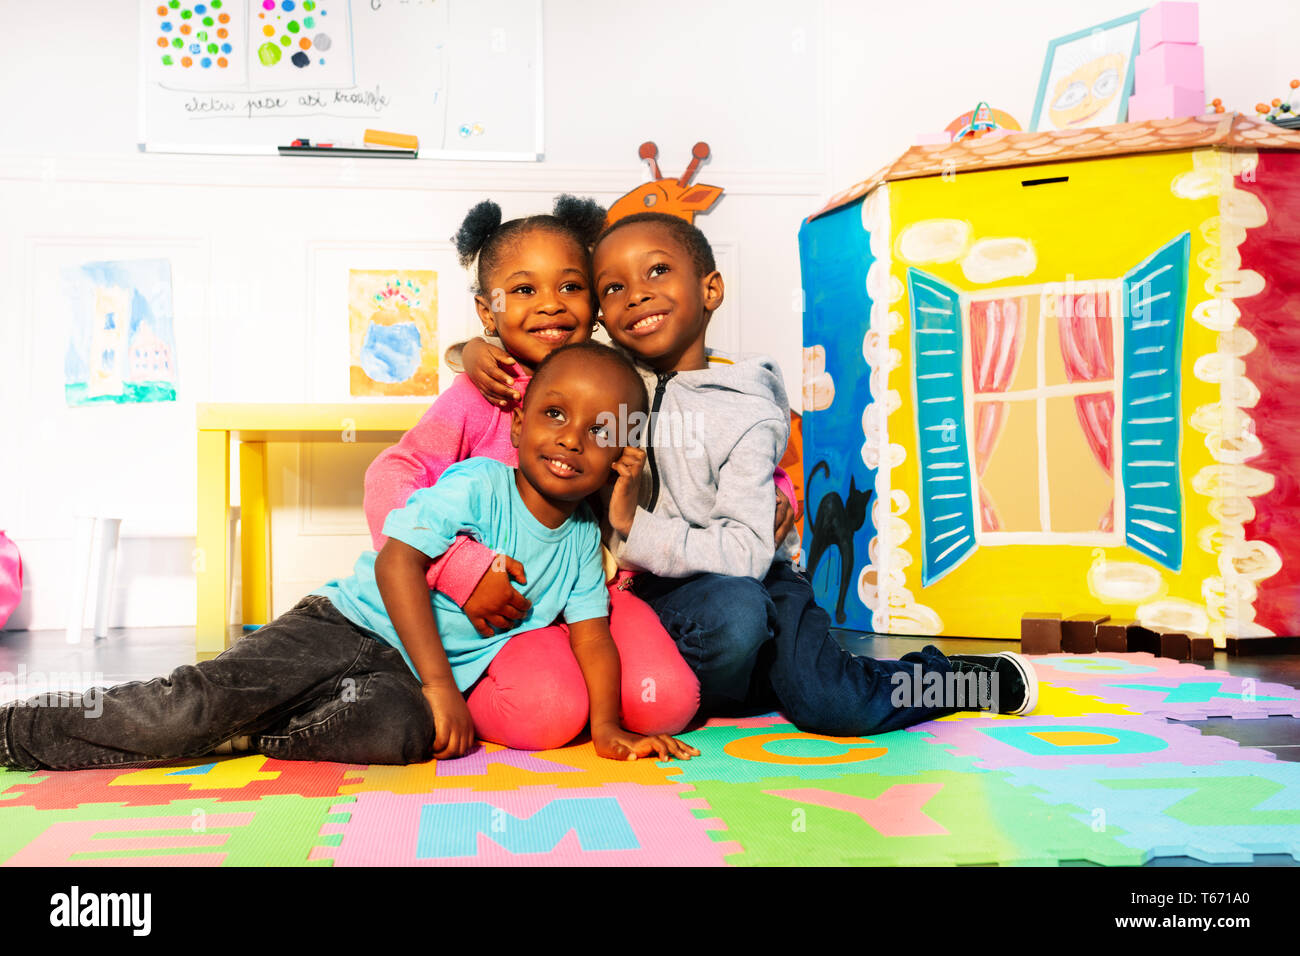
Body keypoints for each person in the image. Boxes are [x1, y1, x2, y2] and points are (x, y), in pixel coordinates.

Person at [466, 211, 1039, 736]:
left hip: (755, 577)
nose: (636, 295)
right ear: (599, 312)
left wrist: (629, 527)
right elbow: (530, 348)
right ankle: (763, 673)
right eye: (613, 287)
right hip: (654, 591)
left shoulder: (746, 408)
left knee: (832, 702)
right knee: (705, 663)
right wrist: (472, 348)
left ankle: (961, 679)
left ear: (710, 289)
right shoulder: (609, 382)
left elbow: (745, 553)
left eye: (657, 272)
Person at [0, 343, 698, 769]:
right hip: (343, 626)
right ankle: (18, 731)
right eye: (553, 414)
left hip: (397, 678)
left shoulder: (580, 541)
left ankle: (249, 734)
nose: (572, 438)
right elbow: (398, 564)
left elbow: (593, 636)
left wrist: (607, 727)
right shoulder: (479, 486)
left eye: (596, 430)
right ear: (517, 423)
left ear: (622, 454)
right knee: (191, 707)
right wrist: (442, 685)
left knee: (402, 736)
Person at [363, 196, 700, 749]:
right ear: (487, 310)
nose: (550, 306)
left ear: (594, 301)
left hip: (593, 593)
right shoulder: (480, 393)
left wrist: (776, 484)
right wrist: (458, 568)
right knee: (546, 714)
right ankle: (464, 685)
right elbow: (390, 476)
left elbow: (702, 416)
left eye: (570, 287)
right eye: (524, 290)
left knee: (666, 703)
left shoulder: (621, 375)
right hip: (505, 604)